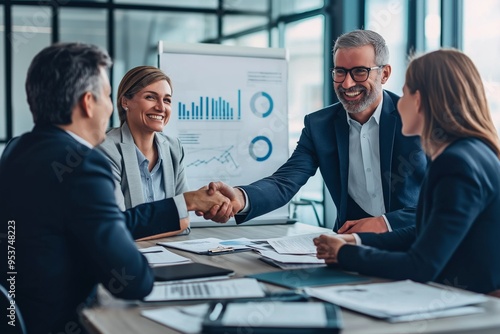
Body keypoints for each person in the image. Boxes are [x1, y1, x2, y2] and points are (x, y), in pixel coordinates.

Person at [0, 43, 231, 334]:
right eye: (107, 96)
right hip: (61, 322)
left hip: (14, 317)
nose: (108, 107)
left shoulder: (16, 150)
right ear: (88, 102)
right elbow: (133, 281)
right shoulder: (83, 164)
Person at [314, 49, 500, 295]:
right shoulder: (471, 152)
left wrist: (344, 255)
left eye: (404, 94)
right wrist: (356, 240)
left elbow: (421, 266)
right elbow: (427, 232)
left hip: (471, 308)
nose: (398, 103)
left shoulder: (456, 163)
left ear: (419, 100)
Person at [203, 29, 427, 233]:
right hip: (350, 246)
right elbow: (284, 182)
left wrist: (384, 223)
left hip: (416, 246)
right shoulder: (320, 125)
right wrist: (241, 199)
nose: (347, 84)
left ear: (384, 74)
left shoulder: (417, 119)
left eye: (359, 71)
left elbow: (446, 200)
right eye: (340, 72)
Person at [99, 66, 191, 239]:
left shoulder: (174, 148)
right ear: (125, 101)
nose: (161, 107)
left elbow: (186, 221)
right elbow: (116, 228)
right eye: (150, 97)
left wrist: (178, 221)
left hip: (171, 253)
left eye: (167, 100)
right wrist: (175, 221)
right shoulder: (106, 149)